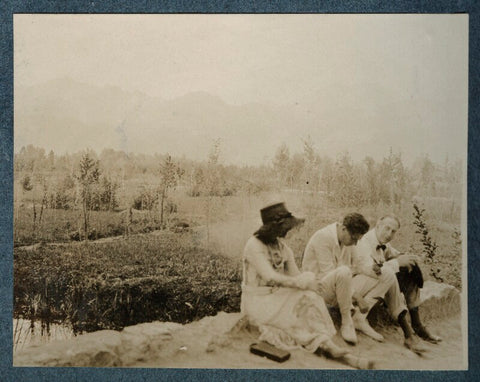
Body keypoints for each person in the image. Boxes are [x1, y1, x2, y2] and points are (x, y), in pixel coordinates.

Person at [241, 203, 372, 367]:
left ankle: (327, 344)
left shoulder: (282, 247)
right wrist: (301, 283)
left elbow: (297, 275)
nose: (286, 231)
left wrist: (310, 282)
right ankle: (325, 345)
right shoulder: (253, 245)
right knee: (302, 297)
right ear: (273, 227)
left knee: (310, 295)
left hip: (277, 297)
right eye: (284, 227)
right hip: (257, 300)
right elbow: (270, 276)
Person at [352, 214, 441, 354]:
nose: (389, 234)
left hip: (376, 284)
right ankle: (408, 333)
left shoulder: (383, 243)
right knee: (391, 274)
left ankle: (417, 324)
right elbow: (371, 271)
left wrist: (408, 259)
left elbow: (394, 254)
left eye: (393, 231)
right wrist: (398, 263)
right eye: (387, 228)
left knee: (410, 268)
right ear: (378, 224)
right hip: (359, 287)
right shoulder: (364, 241)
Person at [302, 213, 372, 345]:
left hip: (339, 286)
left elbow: (357, 266)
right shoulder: (323, 237)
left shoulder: (347, 242)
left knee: (385, 276)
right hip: (318, 288)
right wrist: (357, 296)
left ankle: (359, 318)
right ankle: (347, 321)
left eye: (358, 240)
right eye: (353, 238)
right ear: (344, 228)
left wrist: (373, 269)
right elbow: (329, 273)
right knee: (344, 271)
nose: (355, 243)